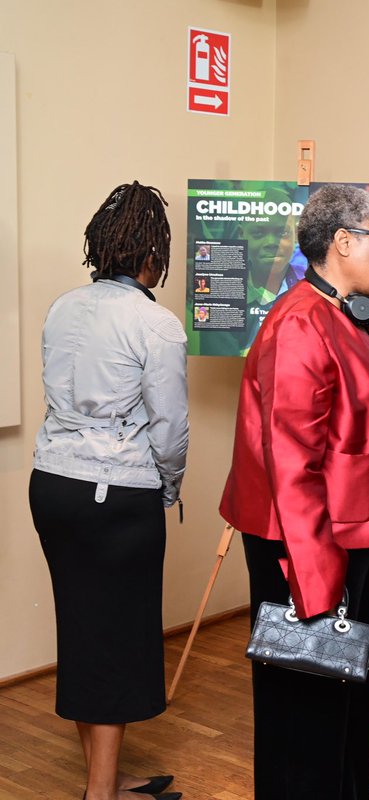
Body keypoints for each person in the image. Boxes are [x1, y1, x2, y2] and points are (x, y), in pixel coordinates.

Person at [220, 185, 369, 800]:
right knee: (307, 714)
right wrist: (318, 582)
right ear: (344, 242)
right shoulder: (301, 320)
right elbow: (291, 463)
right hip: (311, 547)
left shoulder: (336, 312)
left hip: (349, 536)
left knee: (341, 704)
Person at [30, 181, 187, 800]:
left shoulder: (63, 306)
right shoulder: (155, 322)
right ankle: (101, 795)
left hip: (52, 485)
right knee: (118, 639)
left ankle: (109, 778)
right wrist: (168, 488)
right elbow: (170, 430)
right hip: (116, 495)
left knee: (83, 630)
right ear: (153, 255)